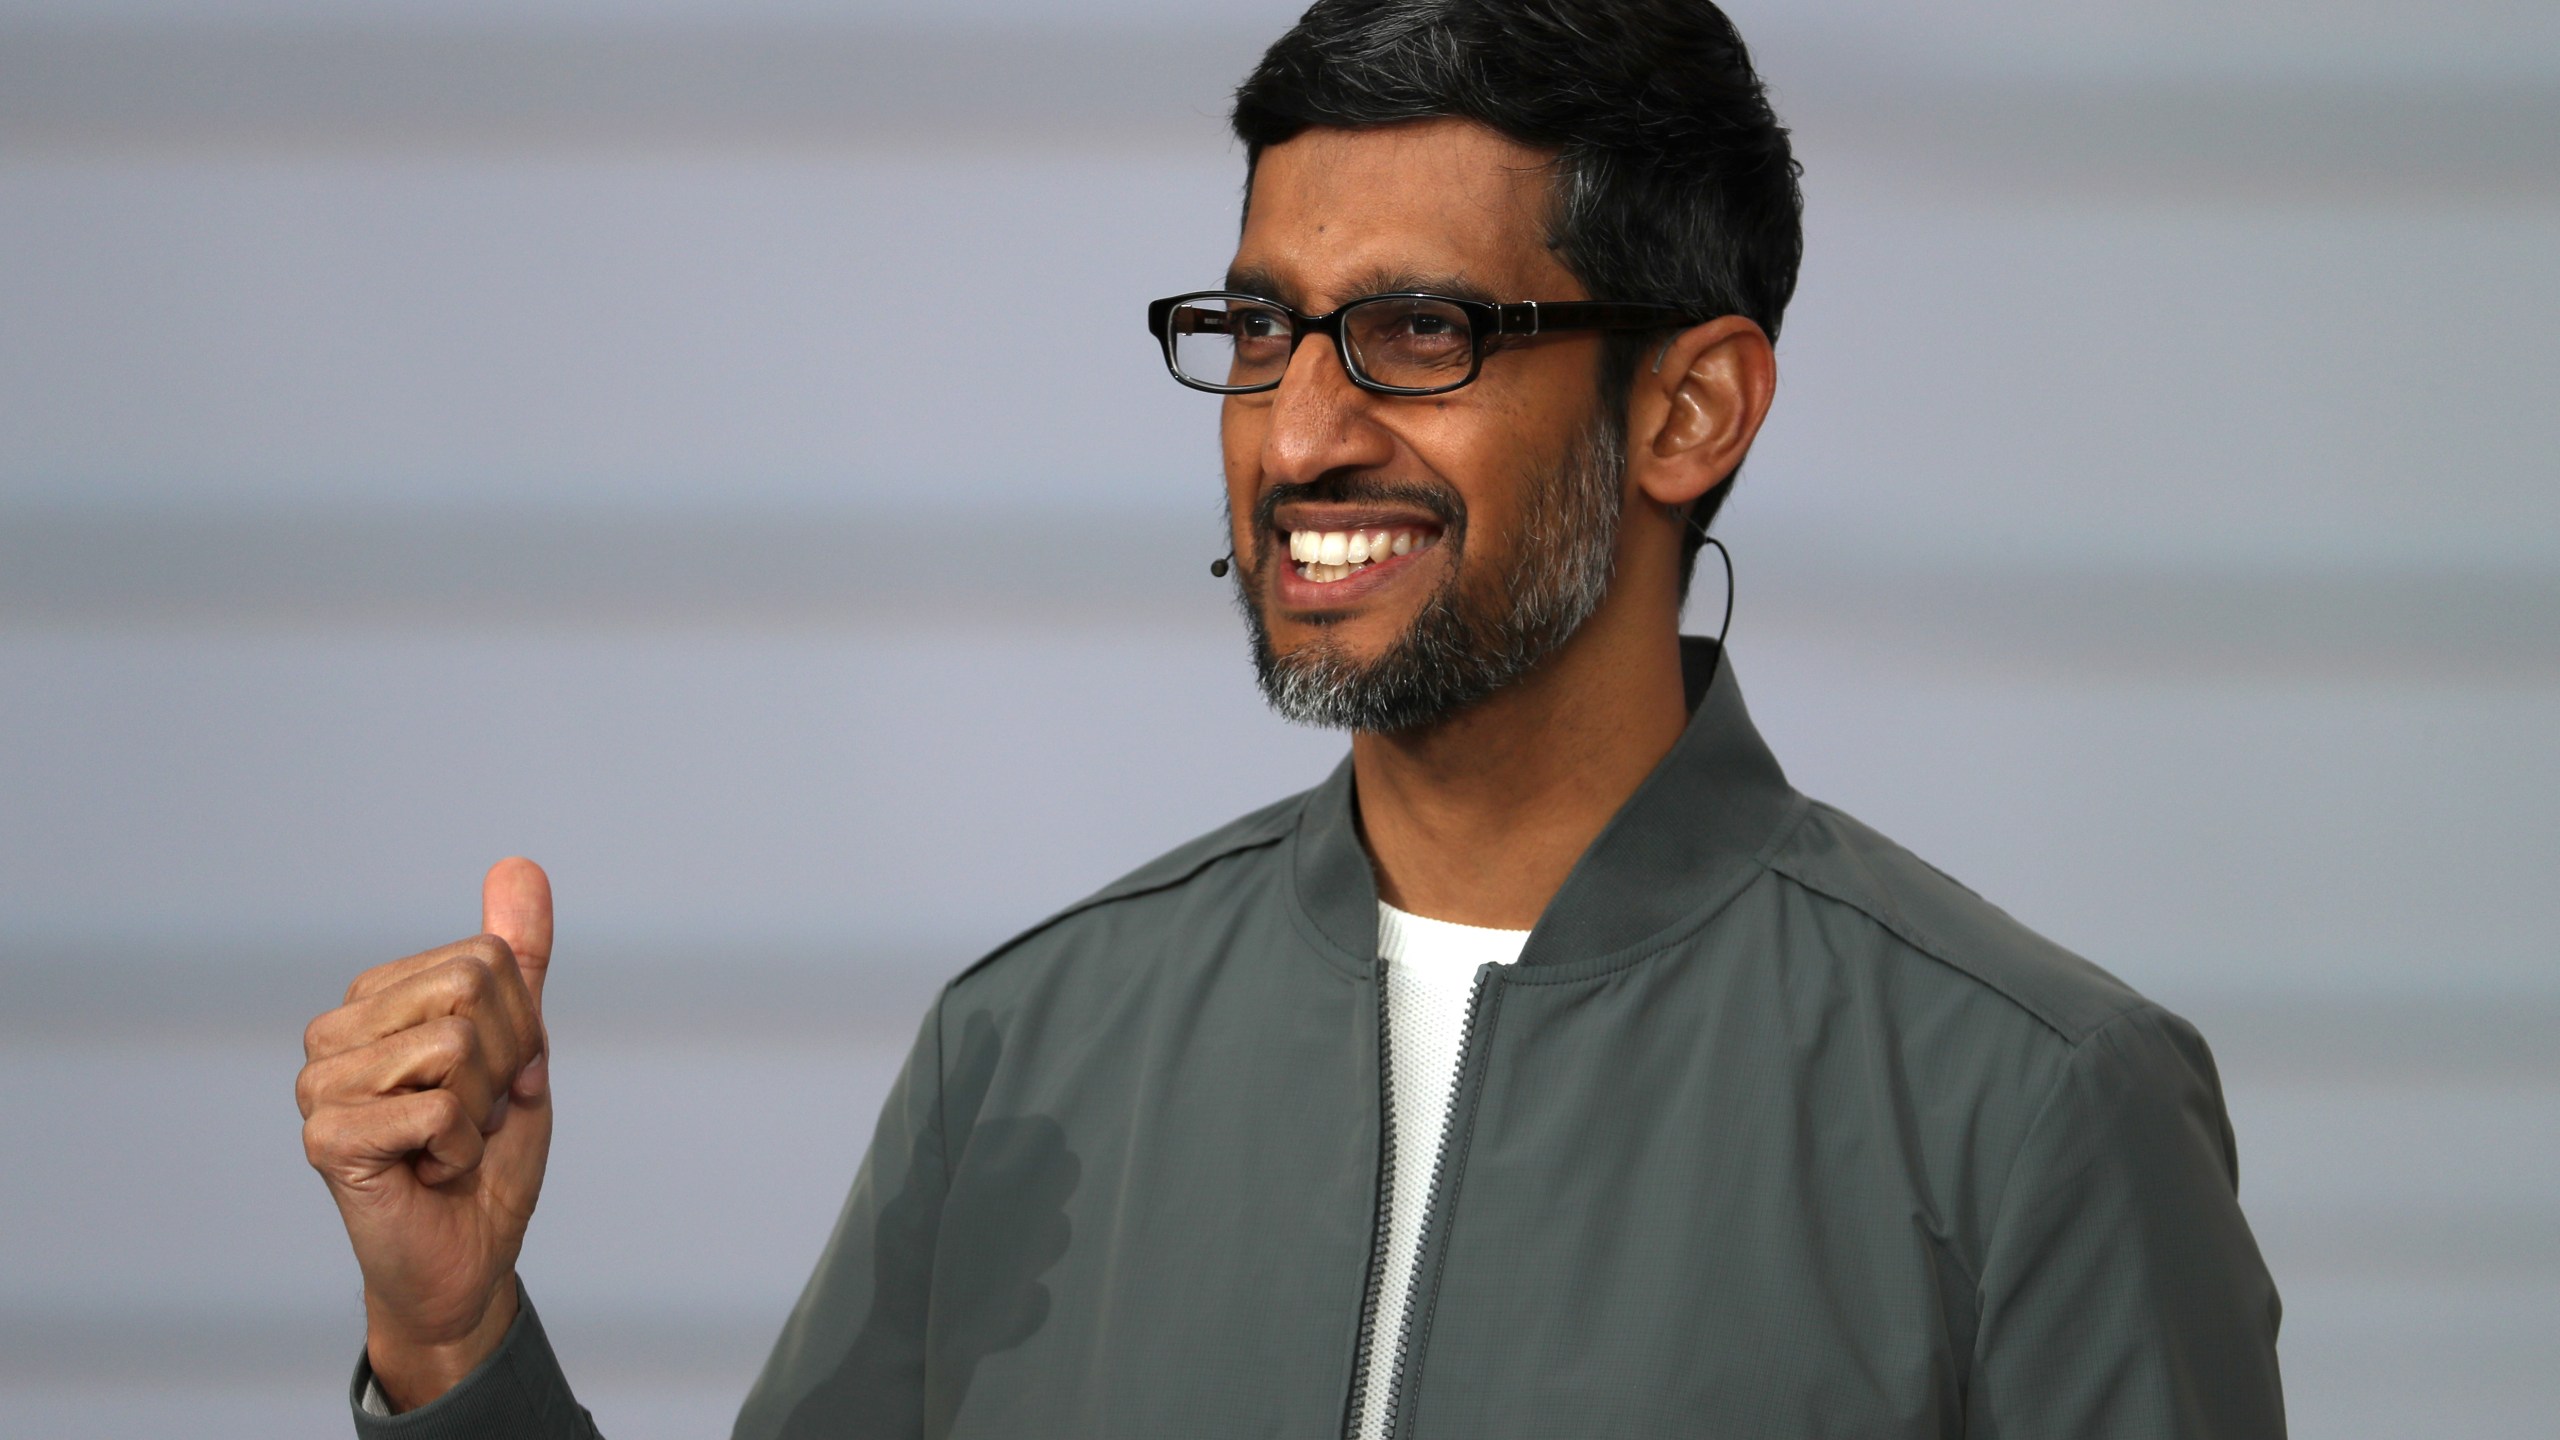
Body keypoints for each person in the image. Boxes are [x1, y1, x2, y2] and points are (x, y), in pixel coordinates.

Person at [294, 2, 2288, 1436]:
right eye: (1258, 331)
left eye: (1421, 333)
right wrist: (455, 1352)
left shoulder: (2029, 1107)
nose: (1301, 430)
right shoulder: (1030, 1056)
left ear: (1689, 409)